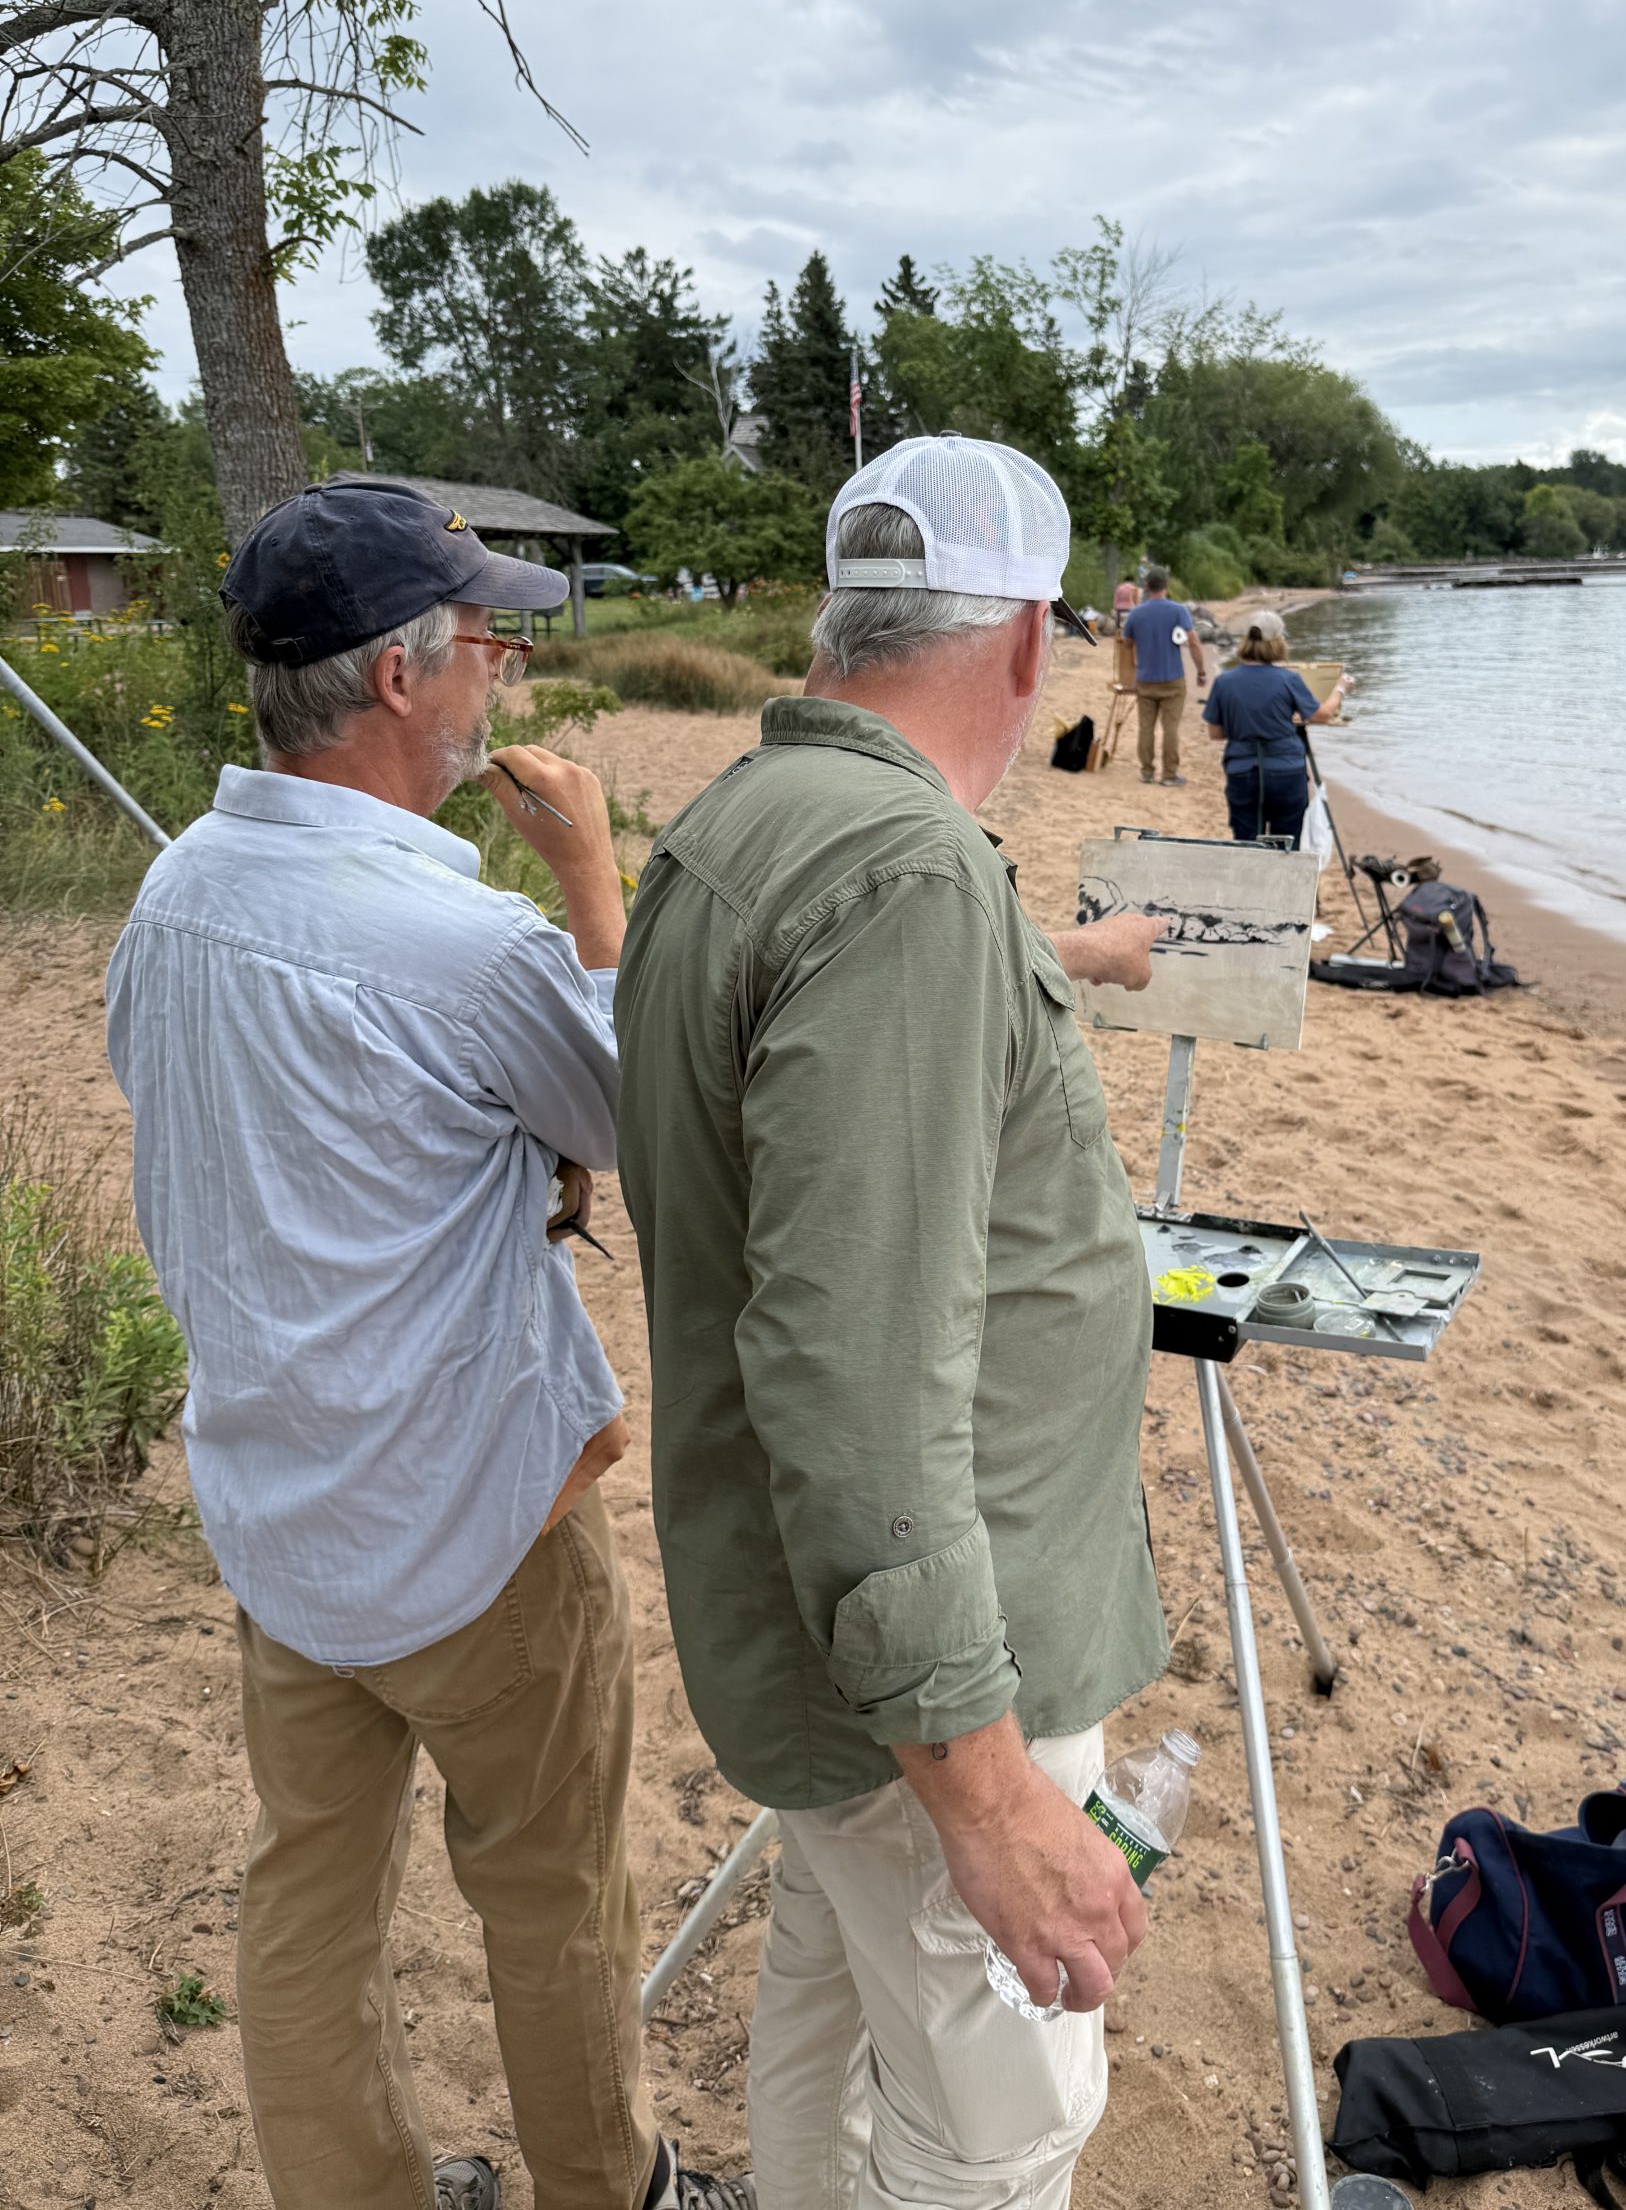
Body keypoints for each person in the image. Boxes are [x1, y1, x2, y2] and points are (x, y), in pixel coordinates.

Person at [105, 480, 748, 2210]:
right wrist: (595, 883)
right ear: (398, 680)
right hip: (480, 1532)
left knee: (305, 1884)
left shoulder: (174, 895)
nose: (500, 677)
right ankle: (609, 2192)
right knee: (549, 1898)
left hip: (278, 1504)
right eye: (484, 641)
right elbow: (637, 1114)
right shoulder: (462, 947)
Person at [615, 432, 1171, 2210]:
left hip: (818, 1625)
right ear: (1026, 646)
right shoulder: (906, 872)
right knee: (999, 2131)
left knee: (829, 2013)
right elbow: (852, 1367)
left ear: (836, 630)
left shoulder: (739, 821)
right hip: (929, 1663)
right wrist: (990, 1788)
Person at [1202, 623, 1348, 844]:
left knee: (1246, 842)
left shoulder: (1224, 681)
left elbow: (1215, 733)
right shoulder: (1288, 679)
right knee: (1286, 843)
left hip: (1243, 771)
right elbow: (1323, 715)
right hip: (1286, 771)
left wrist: (1246, 724)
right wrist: (1340, 689)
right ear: (1278, 644)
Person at [1121, 568, 1207, 785]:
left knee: (1146, 727)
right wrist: (1201, 671)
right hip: (1172, 679)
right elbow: (1194, 642)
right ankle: (1169, 774)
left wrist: (1132, 670)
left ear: (1147, 587)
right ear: (1166, 585)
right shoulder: (1179, 611)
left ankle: (1147, 771)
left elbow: (1127, 644)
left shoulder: (1136, 613)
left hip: (1145, 678)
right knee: (1171, 728)